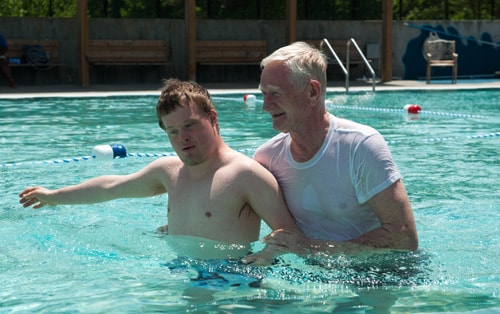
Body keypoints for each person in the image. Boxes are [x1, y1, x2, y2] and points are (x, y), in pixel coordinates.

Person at [19, 78, 303, 265]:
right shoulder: (169, 171)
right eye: (173, 131)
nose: (183, 138)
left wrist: (267, 255)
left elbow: (289, 231)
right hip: (178, 270)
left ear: (212, 118)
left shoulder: (246, 175)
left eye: (190, 125)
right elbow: (111, 187)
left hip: (231, 279)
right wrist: (54, 196)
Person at [250, 41, 418, 257]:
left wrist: (312, 250)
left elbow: (404, 237)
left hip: (381, 275)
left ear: (312, 91)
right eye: (263, 94)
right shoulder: (267, 158)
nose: (266, 105)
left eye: (275, 93)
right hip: (312, 277)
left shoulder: (361, 146)